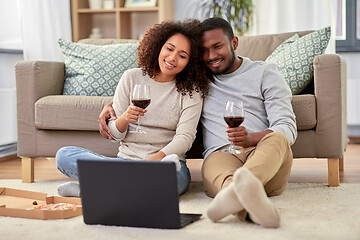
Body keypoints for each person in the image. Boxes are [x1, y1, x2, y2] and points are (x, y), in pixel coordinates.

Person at [98, 17, 297, 228]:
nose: (211, 56)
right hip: (221, 155)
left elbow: (287, 127)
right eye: (204, 50)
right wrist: (110, 105)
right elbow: (157, 87)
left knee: (277, 138)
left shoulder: (265, 72)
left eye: (217, 47)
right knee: (215, 166)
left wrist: (252, 138)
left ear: (234, 43)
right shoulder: (198, 81)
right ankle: (247, 202)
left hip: (265, 155)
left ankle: (240, 187)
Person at [55, 19, 210, 198]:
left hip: (166, 163)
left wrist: (157, 158)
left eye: (182, 55)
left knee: (175, 182)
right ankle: (126, 183)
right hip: (126, 161)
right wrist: (125, 118)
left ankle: (90, 189)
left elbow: (185, 138)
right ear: (159, 46)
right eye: (169, 48)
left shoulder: (192, 91)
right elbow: (115, 135)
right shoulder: (131, 78)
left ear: (190, 62)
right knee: (64, 155)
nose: (172, 58)